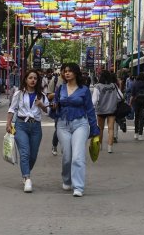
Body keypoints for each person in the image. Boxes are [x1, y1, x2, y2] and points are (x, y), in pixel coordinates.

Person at [47, 63, 100, 197]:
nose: (67, 73)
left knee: (77, 156)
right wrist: (53, 107)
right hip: (63, 125)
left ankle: (78, 187)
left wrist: (94, 130)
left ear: (76, 73)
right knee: (67, 156)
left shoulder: (84, 90)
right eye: (65, 71)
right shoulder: (60, 88)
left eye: (70, 71)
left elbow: (90, 110)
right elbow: (55, 108)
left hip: (80, 124)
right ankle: (66, 179)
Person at [5, 70, 48, 193]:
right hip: (21, 125)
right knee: (25, 152)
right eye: (30, 78)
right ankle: (27, 178)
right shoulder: (19, 94)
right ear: (25, 79)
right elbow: (12, 109)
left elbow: (48, 111)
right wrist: (8, 124)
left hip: (36, 127)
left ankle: (25, 172)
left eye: (35, 78)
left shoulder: (42, 95)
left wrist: (41, 105)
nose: (33, 80)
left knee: (33, 155)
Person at [91, 70, 121, 153]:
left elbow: (94, 100)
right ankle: (110, 148)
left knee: (100, 128)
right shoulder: (114, 85)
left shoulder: (98, 86)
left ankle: (100, 146)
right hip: (112, 109)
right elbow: (120, 96)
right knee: (111, 129)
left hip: (101, 110)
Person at [129, 73, 144, 140]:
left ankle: (136, 133)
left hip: (136, 102)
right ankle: (141, 134)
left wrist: (130, 103)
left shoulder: (135, 84)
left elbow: (132, 95)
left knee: (136, 117)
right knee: (142, 118)